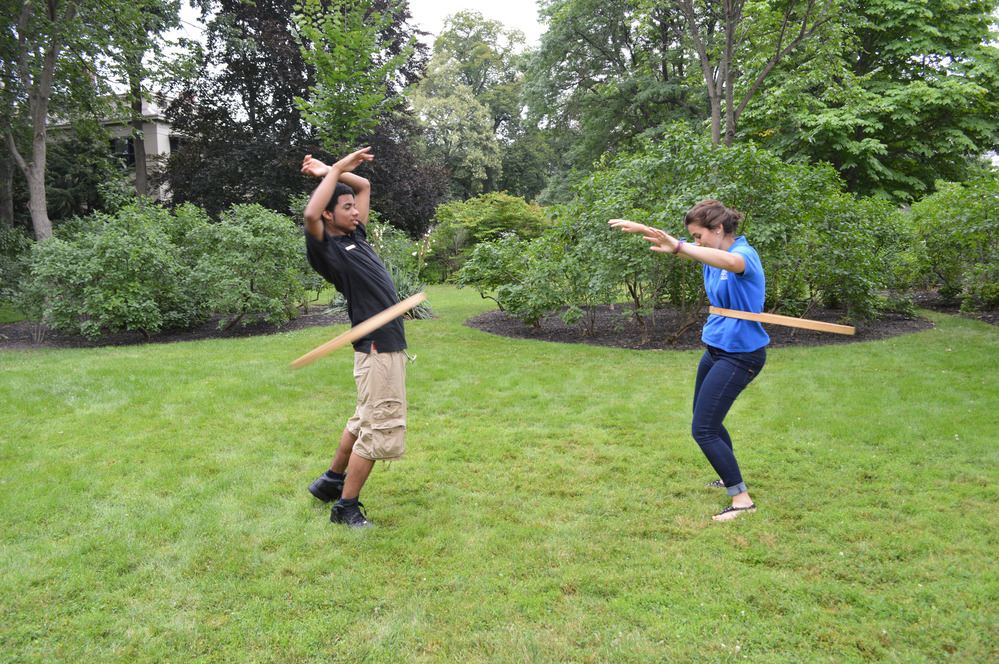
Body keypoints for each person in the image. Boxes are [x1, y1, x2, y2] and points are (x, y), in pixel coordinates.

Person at [609, 199, 769, 521]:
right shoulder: (711, 256)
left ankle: (742, 500)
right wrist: (650, 232)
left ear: (719, 229)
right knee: (705, 418)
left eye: (699, 236)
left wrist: (680, 247)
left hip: (742, 354)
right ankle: (728, 476)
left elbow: (729, 262)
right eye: (692, 237)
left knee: (703, 429)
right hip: (716, 349)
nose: (696, 243)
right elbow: (709, 255)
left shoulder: (743, 256)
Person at [300, 147, 410, 529]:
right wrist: (337, 171)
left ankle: (330, 482)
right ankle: (346, 508)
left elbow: (361, 183)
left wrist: (328, 171)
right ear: (331, 214)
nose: (356, 211)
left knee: (363, 416)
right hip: (377, 343)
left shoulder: (356, 236)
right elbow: (311, 214)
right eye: (347, 208)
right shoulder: (327, 247)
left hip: (384, 339)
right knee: (379, 425)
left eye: (354, 207)